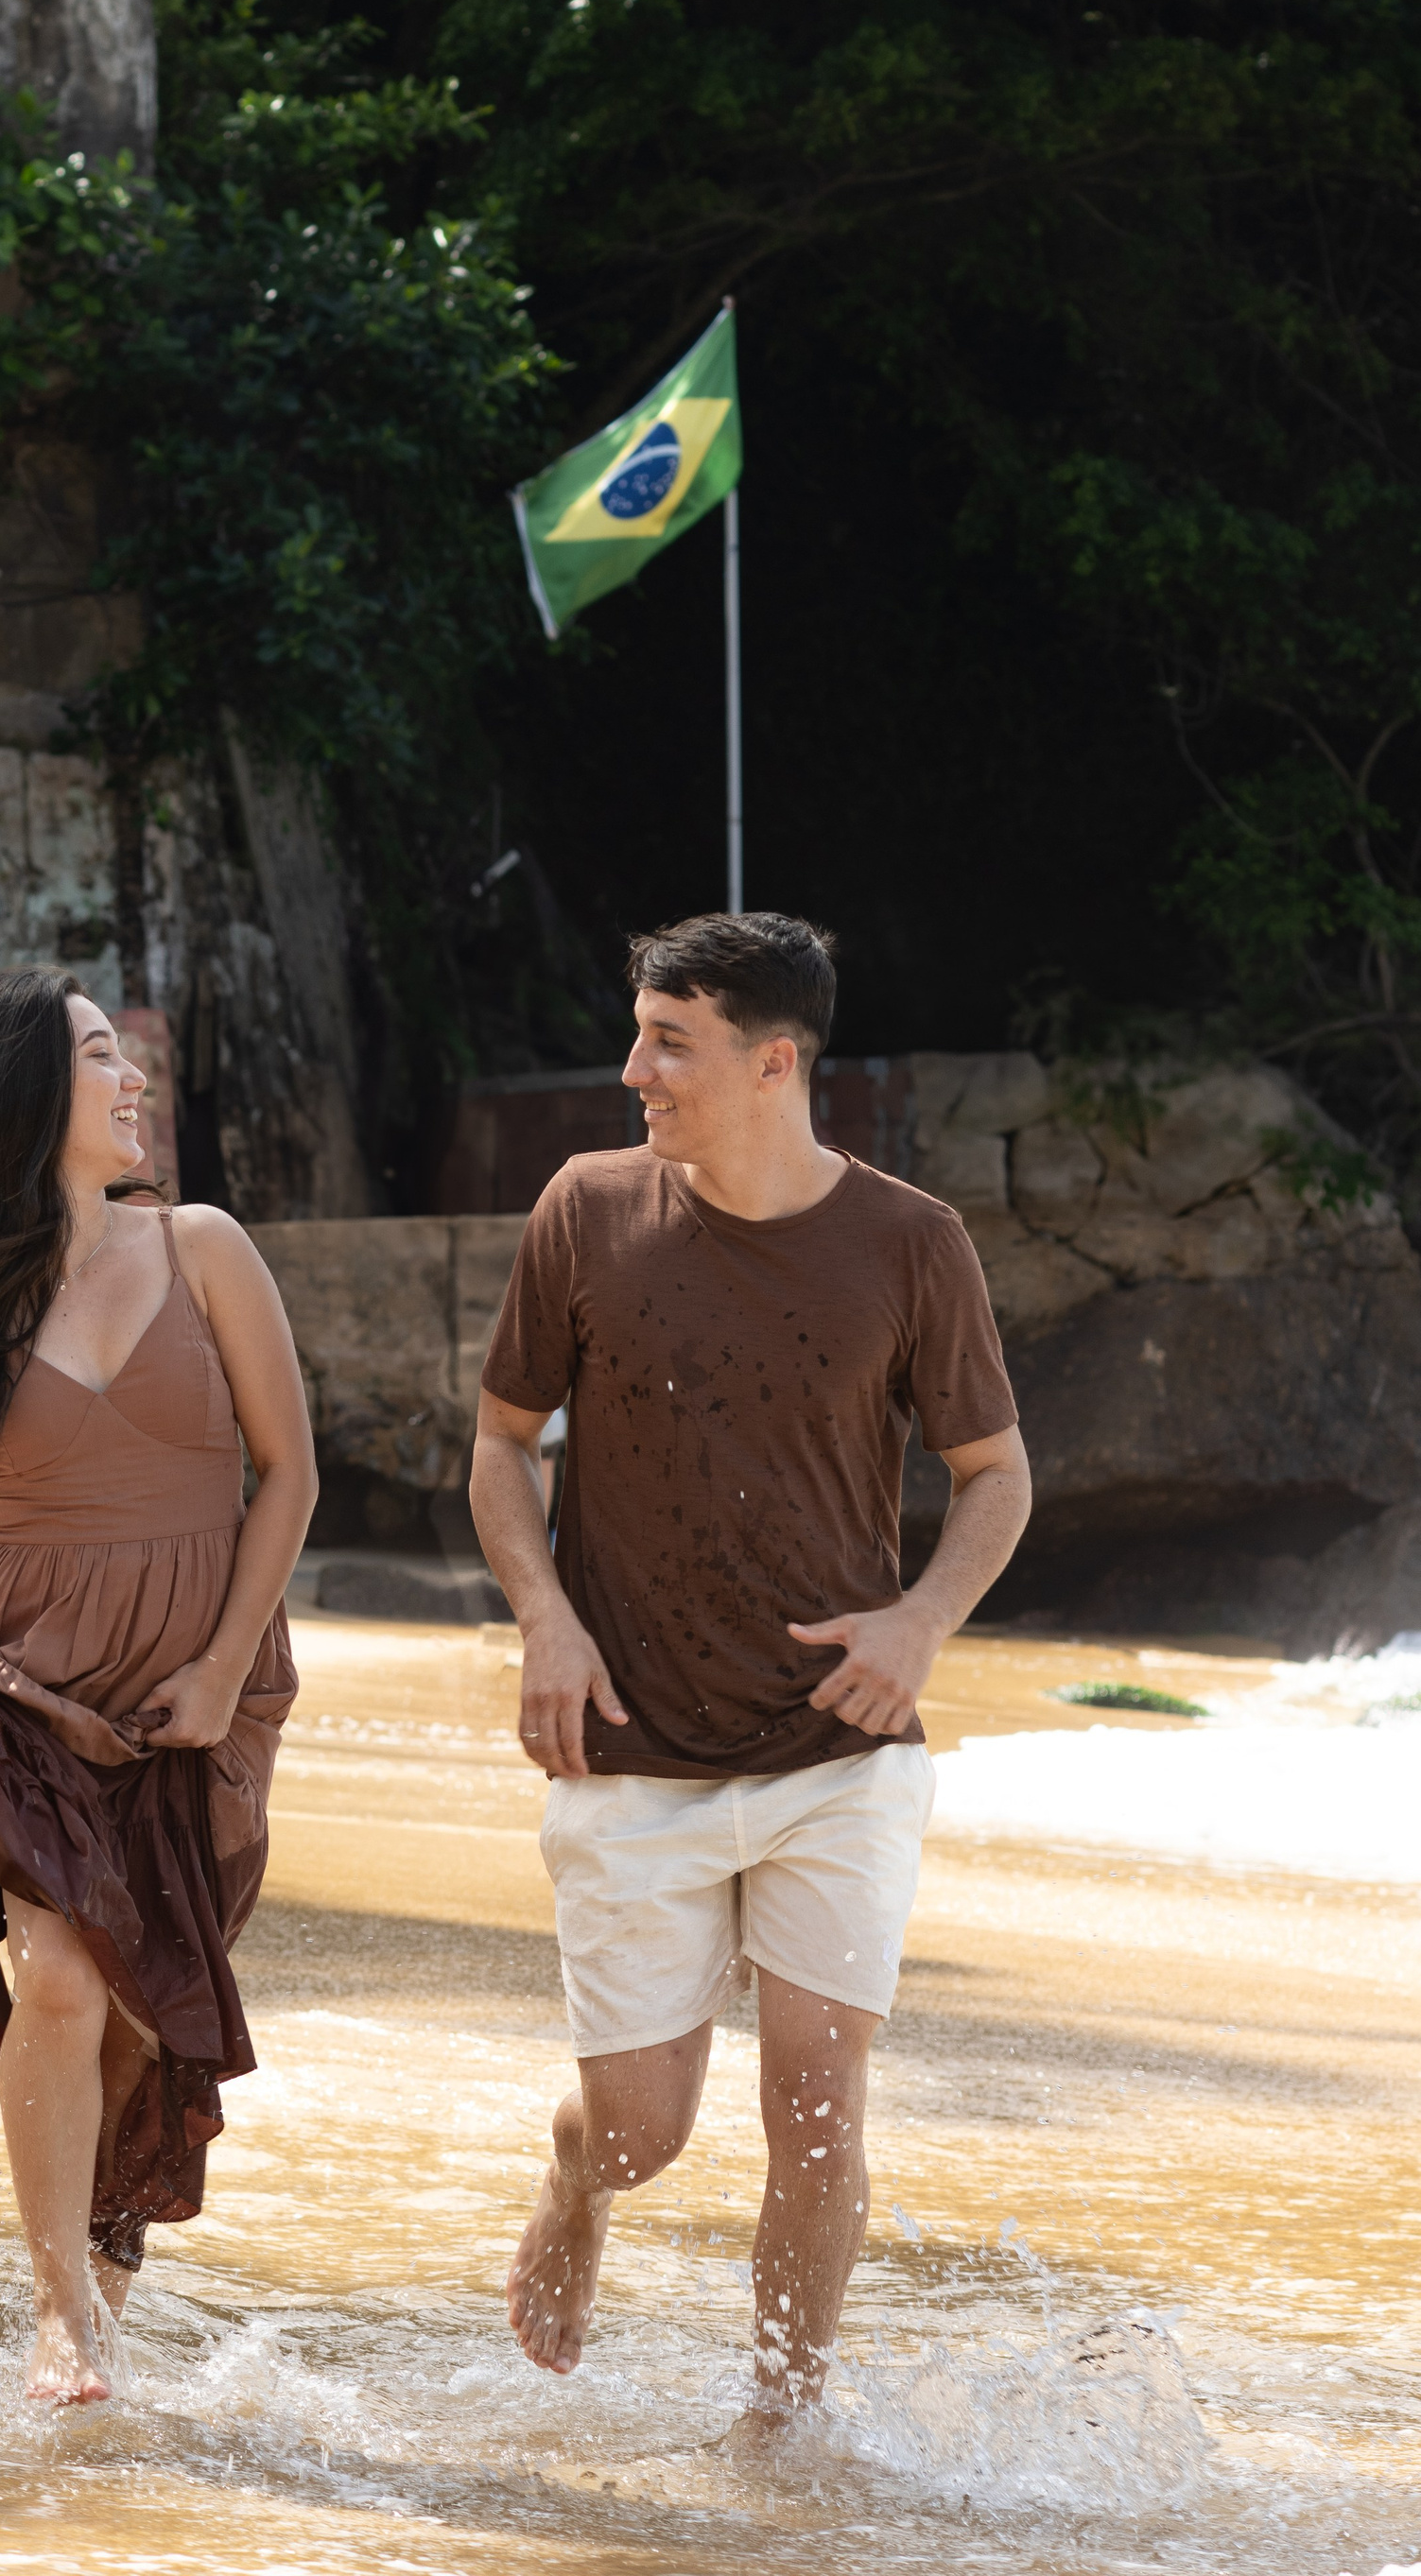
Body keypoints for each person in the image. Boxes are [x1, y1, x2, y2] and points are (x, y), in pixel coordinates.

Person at [469, 911, 1031, 2423]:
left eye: (671, 1043)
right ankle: (578, 2184)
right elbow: (502, 1447)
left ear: (774, 1063)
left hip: (839, 1750)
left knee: (817, 2103)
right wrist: (544, 1619)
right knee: (642, 2132)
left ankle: (784, 2419)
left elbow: (996, 1475)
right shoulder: (587, 1210)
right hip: (629, 1740)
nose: (633, 1069)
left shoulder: (913, 1242)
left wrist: (920, 1623)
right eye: (639, 1033)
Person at [0, 967, 316, 2406]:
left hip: (196, 1684)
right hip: (25, 1679)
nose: (134, 1078)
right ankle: (61, 2319)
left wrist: (220, 1674)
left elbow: (289, 1475)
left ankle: (98, 2293)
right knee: (59, 1974)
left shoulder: (205, 1248)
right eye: (103, 1055)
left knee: (136, 2005)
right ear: (26, 1092)